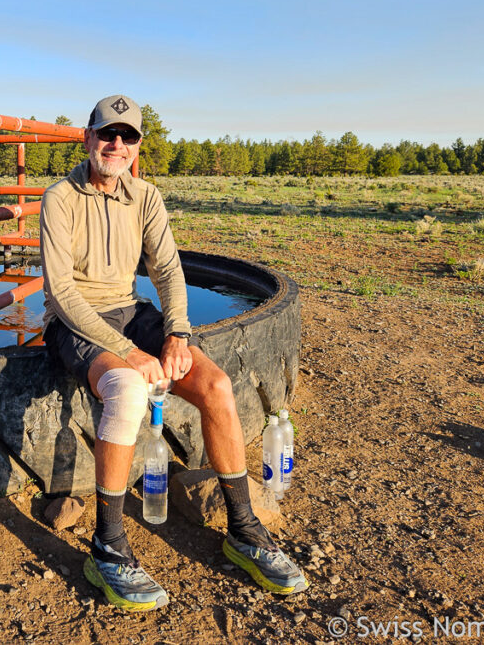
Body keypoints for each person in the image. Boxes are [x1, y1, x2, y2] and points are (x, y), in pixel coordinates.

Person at [39, 95, 308, 612]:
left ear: (137, 146)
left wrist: (177, 333)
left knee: (216, 386)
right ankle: (108, 547)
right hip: (74, 322)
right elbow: (61, 294)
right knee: (126, 387)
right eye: (107, 134)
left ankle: (244, 529)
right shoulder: (61, 198)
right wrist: (127, 353)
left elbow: (167, 271)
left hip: (127, 309)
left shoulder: (145, 196)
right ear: (87, 135)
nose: (116, 145)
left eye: (128, 137)